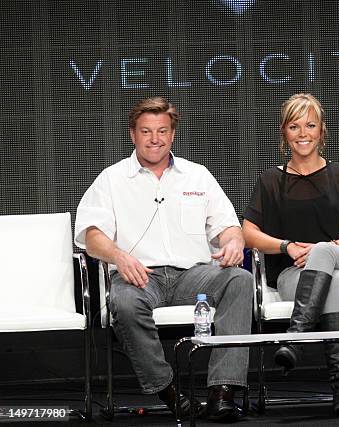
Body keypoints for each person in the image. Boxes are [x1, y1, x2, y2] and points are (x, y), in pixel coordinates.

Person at [74, 97, 252, 422]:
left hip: (192, 276)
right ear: (133, 134)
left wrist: (233, 243)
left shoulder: (197, 176)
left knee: (240, 280)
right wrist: (119, 256)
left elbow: (227, 226)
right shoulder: (112, 179)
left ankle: (222, 393)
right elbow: (90, 235)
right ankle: (169, 392)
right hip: (140, 274)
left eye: (162, 131)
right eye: (146, 131)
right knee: (125, 303)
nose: (154, 139)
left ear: (172, 135)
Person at [243, 93, 339, 417]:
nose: (303, 133)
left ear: (322, 130)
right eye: (295, 125)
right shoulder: (271, 181)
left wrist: (322, 250)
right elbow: (249, 233)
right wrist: (286, 246)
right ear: (284, 132)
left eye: (310, 125)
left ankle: (296, 339)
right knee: (336, 282)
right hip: (294, 276)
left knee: (334, 263)